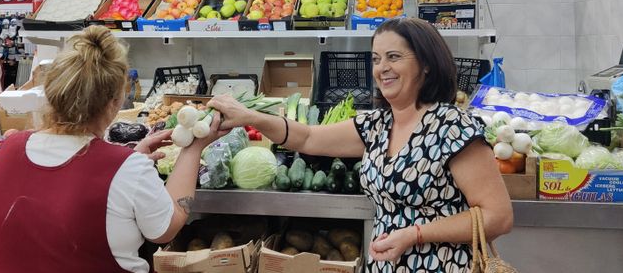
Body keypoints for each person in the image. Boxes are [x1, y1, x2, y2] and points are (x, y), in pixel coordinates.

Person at [208, 18, 513, 272]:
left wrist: (415, 235)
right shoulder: (377, 125)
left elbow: (498, 217)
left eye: (394, 57)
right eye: (377, 59)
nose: (382, 69)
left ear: (426, 64)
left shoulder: (453, 126)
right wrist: (251, 116)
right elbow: (309, 137)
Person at [0, 26, 223, 273]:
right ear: (114, 102)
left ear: (51, 91)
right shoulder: (126, 169)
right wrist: (193, 148)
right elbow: (166, 229)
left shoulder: (9, 149)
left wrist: (129, 163)